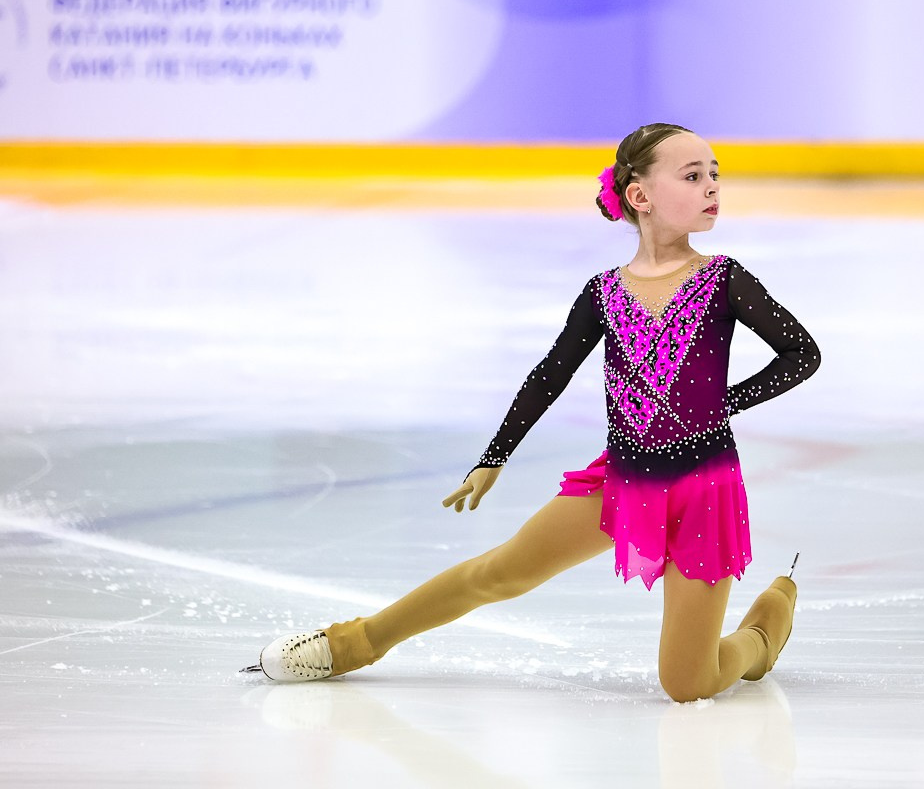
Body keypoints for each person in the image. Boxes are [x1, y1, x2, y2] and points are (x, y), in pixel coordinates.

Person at [245, 123, 822, 702]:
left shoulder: (723, 279)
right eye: (693, 176)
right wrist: (493, 457)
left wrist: (721, 404)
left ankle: (763, 631)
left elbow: (803, 354)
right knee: (500, 572)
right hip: (622, 479)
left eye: (715, 175)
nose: (712, 187)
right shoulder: (605, 292)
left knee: (687, 684)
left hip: (702, 486)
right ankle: (354, 642)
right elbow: (549, 375)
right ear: (640, 196)